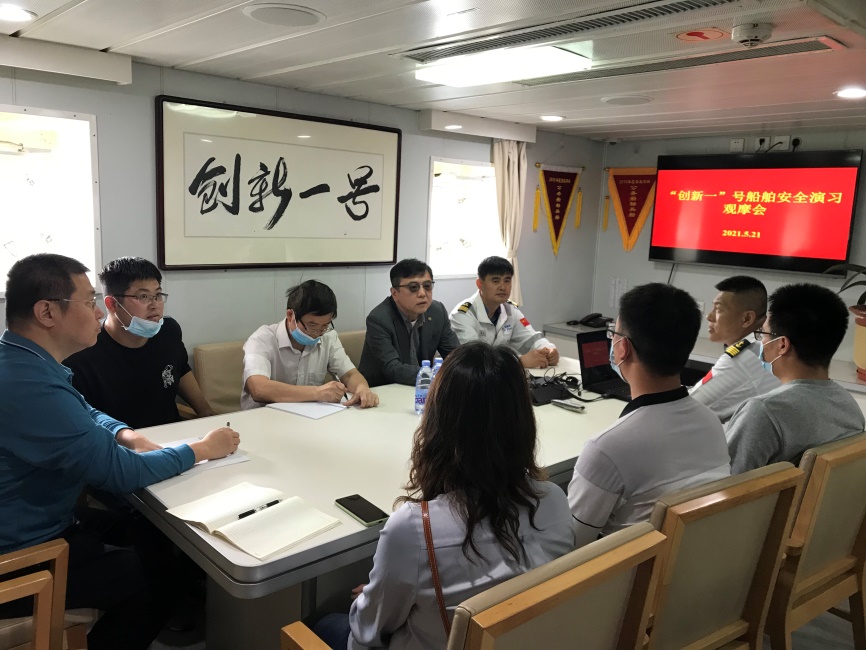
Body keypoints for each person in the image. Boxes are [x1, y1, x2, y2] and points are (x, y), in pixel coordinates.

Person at [0, 253, 239, 650]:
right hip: (23, 553)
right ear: (47, 312)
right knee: (156, 582)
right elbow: (121, 473)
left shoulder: (24, 362)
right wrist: (201, 449)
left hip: (44, 522)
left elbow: (86, 411)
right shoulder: (27, 386)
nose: (97, 312)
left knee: (149, 537)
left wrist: (125, 433)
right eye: (87, 301)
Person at [313, 342, 576, 649]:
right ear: (523, 420)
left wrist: (376, 597)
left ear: (438, 422)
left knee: (323, 623)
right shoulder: (554, 501)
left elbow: (367, 632)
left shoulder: (415, 529)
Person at [568, 283, 730, 547]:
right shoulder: (712, 423)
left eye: (614, 335)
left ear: (623, 347)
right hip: (691, 559)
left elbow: (571, 544)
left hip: (626, 568)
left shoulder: (607, 449)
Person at [726, 283, 865, 474]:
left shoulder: (764, 411)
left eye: (763, 334)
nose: (761, 342)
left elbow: (724, 485)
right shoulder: (849, 406)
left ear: (782, 344)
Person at [64, 257, 214, 429]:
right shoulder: (83, 351)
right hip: (117, 441)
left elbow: (181, 370)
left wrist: (205, 411)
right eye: (143, 296)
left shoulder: (169, 331)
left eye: (158, 295)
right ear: (112, 304)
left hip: (173, 436)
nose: (155, 305)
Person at [242, 280, 378, 410]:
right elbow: (258, 388)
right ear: (290, 315)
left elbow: (349, 375)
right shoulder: (262, 340)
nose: (318, 332)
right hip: (264, 418)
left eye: (325, 325)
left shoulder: (328, 337)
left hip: (312, 417)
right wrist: (317, 392)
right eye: (312, 325)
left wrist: (362, 389)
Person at [689, 275, 780, 422]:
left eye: (718, 309)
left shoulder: (743, 360)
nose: (709, 316)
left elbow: (687, 409)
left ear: (747, 319)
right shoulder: (763, 347)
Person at [358, 259, 460, 387]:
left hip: (422, 387)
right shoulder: (379, 319)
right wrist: (436, 377)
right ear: (395, 293)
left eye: (427, 286)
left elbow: (455, 355)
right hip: (383, 389)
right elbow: (392, 368)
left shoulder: (437, 312)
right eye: (413, 288)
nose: (422, 294)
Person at [449, 256, 559, 368]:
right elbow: (475, 359)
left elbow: (530, 339)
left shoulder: (511, 310)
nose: (503, 287)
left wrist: (548, 350)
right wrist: (519, 362)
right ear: (480, 284)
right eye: (495, 281)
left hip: (500, 374)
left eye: (507, 280)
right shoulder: (462, 315)